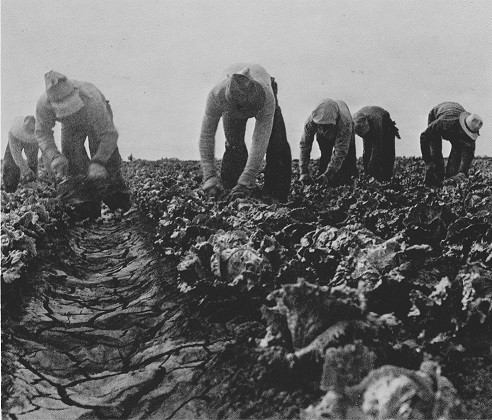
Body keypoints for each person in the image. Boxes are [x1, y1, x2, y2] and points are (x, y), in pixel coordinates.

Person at [35, 70, 131, 217]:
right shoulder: (43, 105)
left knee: (107, 161)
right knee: (72, 161)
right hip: (69, 126)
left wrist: (99, 161)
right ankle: (87, 208)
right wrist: (54, 156)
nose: (71, 112)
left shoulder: (91, 98)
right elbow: (42, 132)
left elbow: (109, 134)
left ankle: (119, 204)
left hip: (95, 120)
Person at [199, 63, 292, 202]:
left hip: (265, 87)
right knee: (233, 144)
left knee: (277, 143)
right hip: (231, 98)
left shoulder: (266, 96)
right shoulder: (216, 95)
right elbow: (207, 135)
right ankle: (231, 191)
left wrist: (246, 181)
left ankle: (275, 195)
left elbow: (260, 140)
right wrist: (209, 176)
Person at [420, 102, 483, 186]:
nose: (467, 137)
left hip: (455, 113)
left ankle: (449, 179)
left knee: (458, 148)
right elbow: (424, 136)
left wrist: (462, 172)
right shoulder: (444, 123)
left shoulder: (472, 127)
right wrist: (428, 161)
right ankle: (434, 181)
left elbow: (468, 153)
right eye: (466, 133)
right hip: (437, 114)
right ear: (462, 127)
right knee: (436, 152)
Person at [299, 99, 357, 186]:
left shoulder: (345, 123)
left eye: (326, 126)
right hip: (324, 135)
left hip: (344, 130)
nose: (323, 128)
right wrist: (303, 171)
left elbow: (341, 151)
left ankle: (349, 182)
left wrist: (329, 173)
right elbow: (305, 145)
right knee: (325, 155)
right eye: (321, 125)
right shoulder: (311, 121)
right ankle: (323, 181)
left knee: (348, 160)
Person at [353, 106, 400, 181]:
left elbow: (377, 146)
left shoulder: (376, 120)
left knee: (387, 153)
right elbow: (366, 149)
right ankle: (368, 176)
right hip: (366, 127)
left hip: (386, 125)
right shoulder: (354, 121)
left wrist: (372, 165)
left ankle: (385, 178)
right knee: (367, 152)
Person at [2, 116, 42, 192]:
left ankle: (31, 190)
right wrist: (26, 171)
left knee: (32, 162)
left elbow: (44, 152)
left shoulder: (38, 133)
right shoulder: (14, 132)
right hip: (15, 138)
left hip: (33, 140)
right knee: (10, 163)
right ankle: (10, 190)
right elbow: (16, 155)